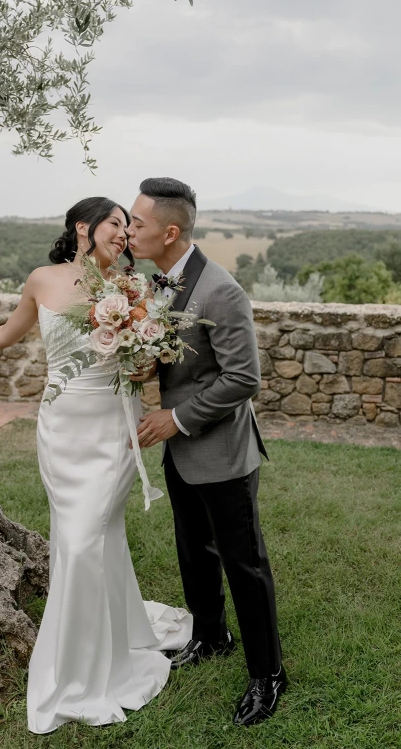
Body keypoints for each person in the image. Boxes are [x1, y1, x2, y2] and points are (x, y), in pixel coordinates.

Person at [0, 196, 192, 735]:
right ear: (83, 227)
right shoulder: (42, 279)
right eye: (116, 224)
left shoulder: (132, 289)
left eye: (127, 226)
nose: (124, 233)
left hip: (112, 427)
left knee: (82, 538)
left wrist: (142, 360)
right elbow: (7, 333)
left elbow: (142, 370)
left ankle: (80, 666)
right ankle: (113, 630)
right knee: (90, 536)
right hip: (61, 430)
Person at [126, 177, 287, 727]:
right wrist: (151, 366)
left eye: (138, 223)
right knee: (194, 551)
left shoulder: (221, 290)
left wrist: (175, 417)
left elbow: (244, 378)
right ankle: (211, 636)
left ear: (171, 232)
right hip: (181, 454)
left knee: (244, 563)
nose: (129, 230)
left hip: (220, 451)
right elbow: (185, 359)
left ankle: (268, 675)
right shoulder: (162, 283)